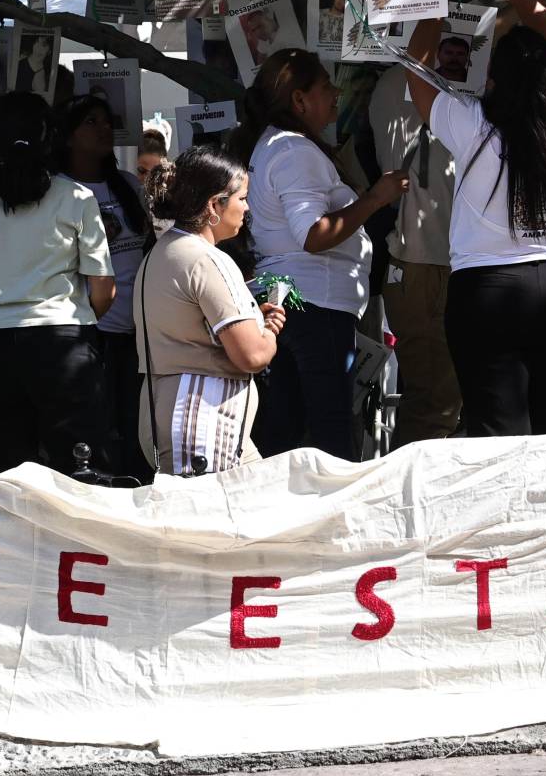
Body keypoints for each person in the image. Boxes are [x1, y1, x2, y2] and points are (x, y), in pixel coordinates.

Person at [405, 0, 546, 437]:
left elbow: (416, 72)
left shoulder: (472, 124)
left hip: (486, 292)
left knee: (498, 437)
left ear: (493, 78)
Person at [231, 48, 407, 459]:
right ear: (299, 99)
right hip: (314, 302)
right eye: (326, 87)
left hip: (295, 298)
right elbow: (313, 233)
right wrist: (376, 198)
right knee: (327, 429)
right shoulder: (293, 151)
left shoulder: (275, 146)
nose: (336, 94)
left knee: (290, 425)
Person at [0, 92, 117, 478]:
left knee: (7, 476)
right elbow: (103, 291)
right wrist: (77, 312)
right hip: (64, 344)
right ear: (51, 139)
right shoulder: (77, 198)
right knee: (81, 472)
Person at [134, 146, 284, 474]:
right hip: (201, 420)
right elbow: (253, 355)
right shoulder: (207, 259)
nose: (247, 208)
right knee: (208, 522)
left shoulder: (161, 252)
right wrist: (269, 330)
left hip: (171, 411)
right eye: (242, 198)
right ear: (215, 205)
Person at [61, 94, 155, 480]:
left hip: (139, 329)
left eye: (106, 121)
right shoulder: (60, 190)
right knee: (103, 429)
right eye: (90, 122)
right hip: (93, 329)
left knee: (138, 428)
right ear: (67, 136)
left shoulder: (129, 184)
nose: (103, 129)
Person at [367, 61, 460, 446]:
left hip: (430, 261)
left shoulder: (392, 83)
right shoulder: (398, 84)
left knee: (437, 398)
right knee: (436, 402)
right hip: (428, 262)